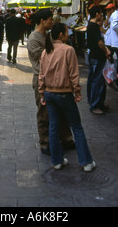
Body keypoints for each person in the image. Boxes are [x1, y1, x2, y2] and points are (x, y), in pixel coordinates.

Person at [38, 23, 95, 171]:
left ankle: (57, 161)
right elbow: (73, 74)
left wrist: (42, 92)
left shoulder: (46, 51)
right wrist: (77, 91)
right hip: (64, 93)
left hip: (49, 93)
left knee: (53, 127)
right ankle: (86, 162)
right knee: (76, 127)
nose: (68, 33)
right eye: (66, 31)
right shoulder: (68, 50)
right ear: (61, 35)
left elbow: (41, 75)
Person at [27, 8, 75, 155]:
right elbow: (44, 59)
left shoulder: (48, 36)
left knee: (62, 110)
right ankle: (45, 142)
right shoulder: (34, 38)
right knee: (44, 112)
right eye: (50, 19)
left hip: (55, 78)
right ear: (42, 21)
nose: (52, 22)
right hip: (41, 78)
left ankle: (65, 138)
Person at [87, 5, 111, 114]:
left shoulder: (92, 25)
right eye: (100, 13)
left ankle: (97, 102)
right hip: (97, 56)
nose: (101, 15)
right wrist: (106, 51)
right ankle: (95, 105)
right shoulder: (93, 26)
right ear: (97, 13)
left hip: (94, 56)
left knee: (95, 80)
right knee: (97, 81)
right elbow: (100, 43)